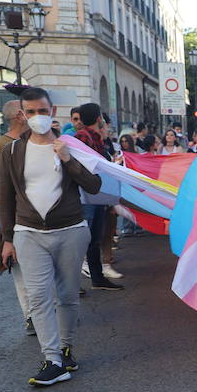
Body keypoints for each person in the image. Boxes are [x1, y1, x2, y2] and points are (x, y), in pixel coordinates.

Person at [0, 87, 105, 387]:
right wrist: (8, 238)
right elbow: (6, 197)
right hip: (28, 233)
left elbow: (94, 186)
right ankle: (53, 360)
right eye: (30, 112)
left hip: (71, 231)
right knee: (39, 298)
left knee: (68, 295)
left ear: (52, 111)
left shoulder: (70, 145)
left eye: (42, 111)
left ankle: (66, 349)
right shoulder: (12, 151)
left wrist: (68, 159)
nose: (37, 117)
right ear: (22, 114)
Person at [0, 100, 33, 334]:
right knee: (21, 269)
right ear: (19, 116)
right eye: (29, 110)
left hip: (41, 218)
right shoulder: (0, 145)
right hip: (18, 219)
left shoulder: (34, 141)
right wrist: (9, 213)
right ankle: (32, 316)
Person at [70, 102, 123, 291]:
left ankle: (97, 277)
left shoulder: (94, 138)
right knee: (83, 239)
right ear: (99, 118)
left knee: (93, 239)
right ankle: (74, 283)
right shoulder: (83, 138)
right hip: (87, 196)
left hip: (95, 194)